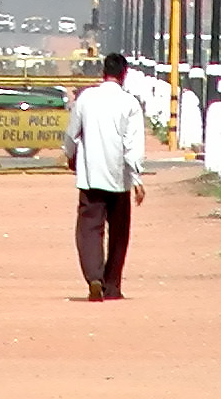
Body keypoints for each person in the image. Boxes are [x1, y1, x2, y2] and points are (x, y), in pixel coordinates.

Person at [62, 51, 145, 302]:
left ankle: (94, 277)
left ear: (103, 73)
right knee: (119, 233)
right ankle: (112, 285)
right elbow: (133, 145)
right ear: (124, 74)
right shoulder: (130, 103)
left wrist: (70, 155)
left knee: (89, 228)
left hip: (90, 176)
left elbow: (71, 134)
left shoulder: (87, 98)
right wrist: (138, 178)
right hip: (119, 178)